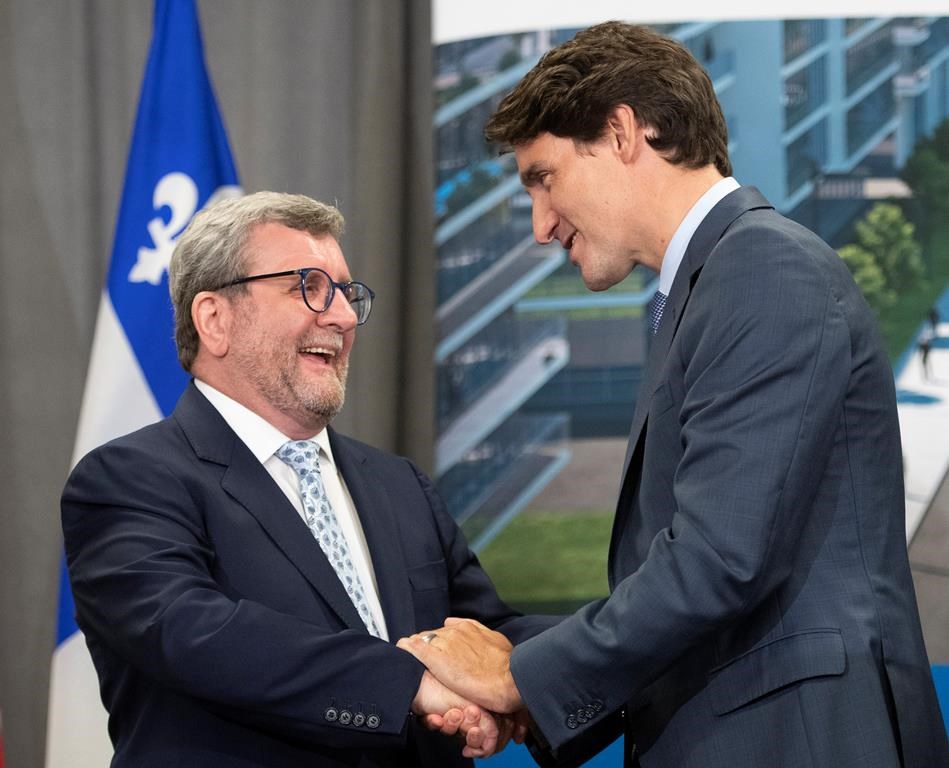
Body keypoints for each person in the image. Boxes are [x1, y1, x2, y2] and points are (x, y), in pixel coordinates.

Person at [399, 22, 949, 768]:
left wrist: (514, 675)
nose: (538, 225)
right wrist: (526, 677)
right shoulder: (708, 285)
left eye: (544, 178)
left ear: (622, 131)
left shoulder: (761, 268)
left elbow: (718, 561)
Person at [61, 192, 553, 768]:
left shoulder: (398, 484)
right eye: (308, 287)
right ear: (214, 319)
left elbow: (484, 635)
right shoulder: (127, 481)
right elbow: (197, 633)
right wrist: (408, 685)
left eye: (347, 292)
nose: (343, 316)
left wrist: (627, 646)